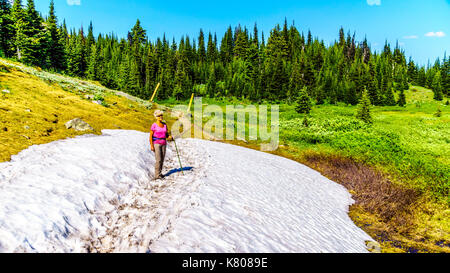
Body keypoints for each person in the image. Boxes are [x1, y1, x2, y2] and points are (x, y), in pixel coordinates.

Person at [150, 110, 173, 180]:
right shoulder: (154, 125)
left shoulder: (165, 125)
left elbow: (166, 134)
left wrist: (169, 137)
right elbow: (150, 136)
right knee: (158, 159)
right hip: (156, 143)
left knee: (162, 159)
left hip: (164, 143)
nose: (160, 117)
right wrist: (151, 145)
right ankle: (157, 175)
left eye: (161, 115)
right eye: (159, 116)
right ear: (156, 117)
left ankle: (160, 173)